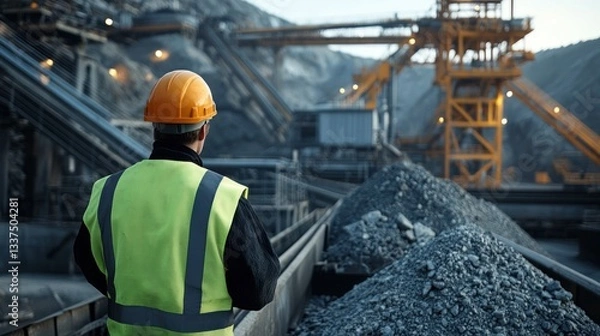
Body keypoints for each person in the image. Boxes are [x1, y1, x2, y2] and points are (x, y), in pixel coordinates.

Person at [73, 70, 281, 335]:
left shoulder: (108, 191)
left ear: (154, 127)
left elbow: (86, 258)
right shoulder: (222, 198)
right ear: (204, 129)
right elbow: (259, 291)